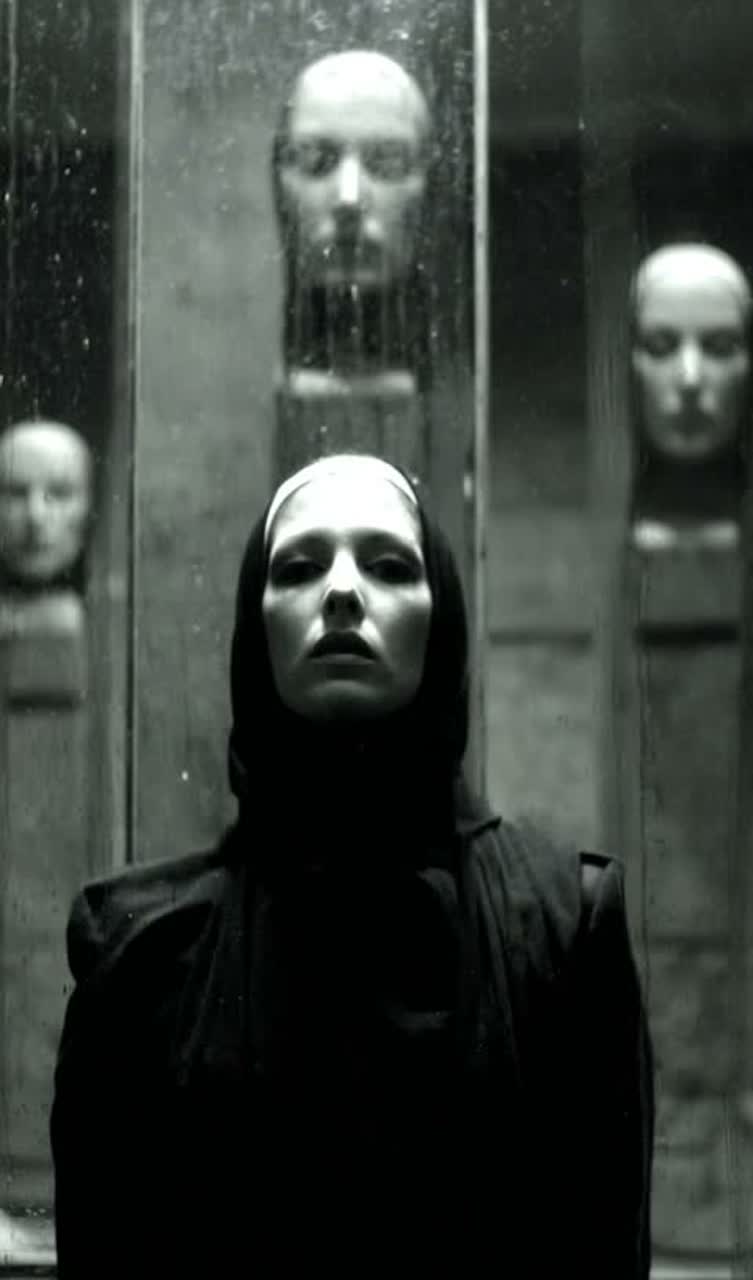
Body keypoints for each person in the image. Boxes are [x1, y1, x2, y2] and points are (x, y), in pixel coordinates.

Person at [51, 453, 654, 1277]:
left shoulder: (564, 926)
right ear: (254, 625)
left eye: (390, 566)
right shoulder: (137, 950)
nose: (340, 591)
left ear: (440, 621)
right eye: (298, 568)